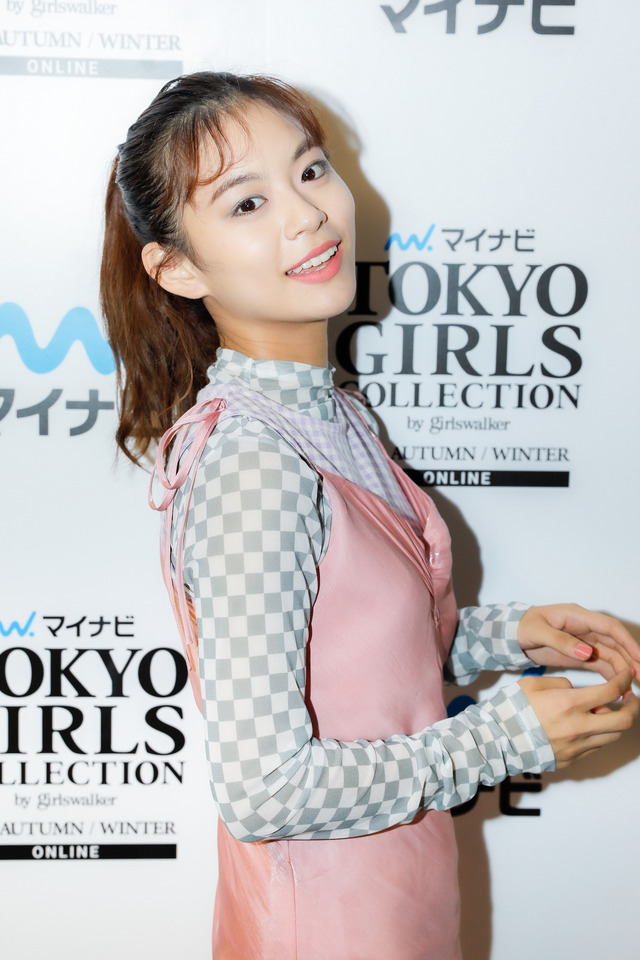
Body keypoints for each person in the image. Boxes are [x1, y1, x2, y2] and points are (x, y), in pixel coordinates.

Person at [101, 72, 640, 960]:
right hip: (328, 925)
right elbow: (264, 789)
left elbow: (355, 666)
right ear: (178, 268)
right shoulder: (253, 463)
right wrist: (500, 738)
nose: (308, 215)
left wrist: (512, 635)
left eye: (311, 170)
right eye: (248, 203)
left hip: (397, 898)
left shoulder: (334, 415)